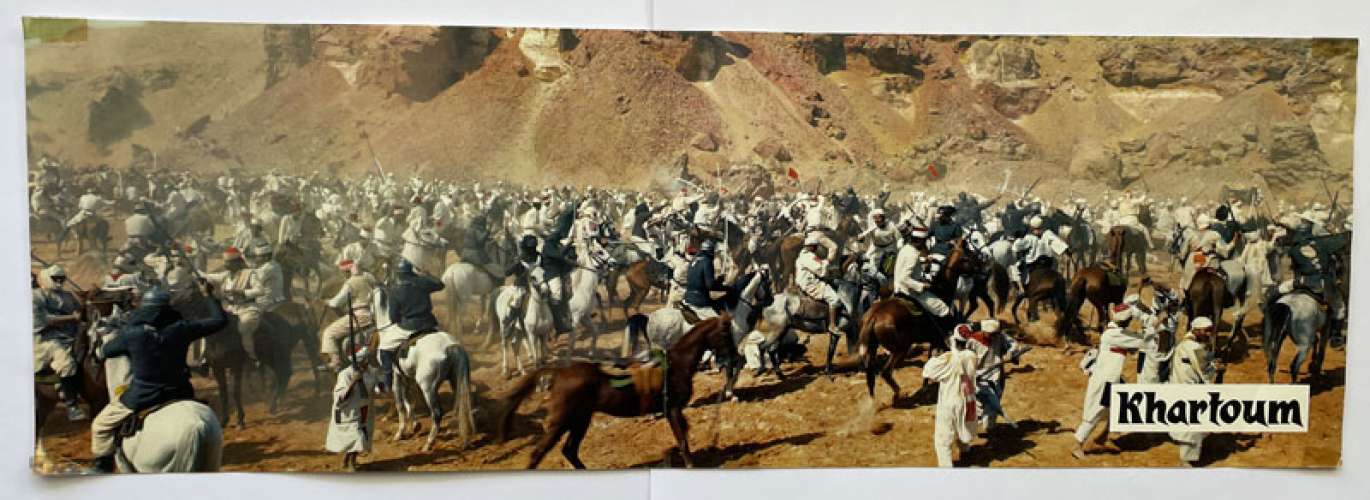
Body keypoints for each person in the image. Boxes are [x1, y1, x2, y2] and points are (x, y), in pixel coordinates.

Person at [88, 284, 228, 473]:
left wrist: (101, 346)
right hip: (180, 392)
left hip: (143, 396)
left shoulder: (132, 334)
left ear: (144, 308)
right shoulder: (183, 329)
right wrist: (208, 294)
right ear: (168, 309)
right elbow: (219, 320)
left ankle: (102, 465)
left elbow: (104, 352)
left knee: (100, 425)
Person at [1072, 302, 1150, 459]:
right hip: (1105, 381)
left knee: (1117, 409)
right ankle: (1077, 444)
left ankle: (1101, 438)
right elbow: (1144, 341)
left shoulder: (1114, 332)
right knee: (1096, 411)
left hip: (1111, 379)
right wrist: (1147, 321)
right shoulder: (1116, 335)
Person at [378, 258, 445, 393]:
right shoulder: (423, 283)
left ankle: (388, 382)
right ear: (411, 272)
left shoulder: (395, 291)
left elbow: (393, 317)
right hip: (429, 323)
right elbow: (440, 284)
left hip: (409, 327)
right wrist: (426, 274)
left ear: (398, 274)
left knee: (384, 347)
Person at [33, 265, 86, 421]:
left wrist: (84, 305)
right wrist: (71, 318)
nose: (59, 282)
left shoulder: (67, 295)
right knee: (66, 363)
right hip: (46, 338)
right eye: (55, 279)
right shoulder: (36, 296)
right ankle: (72, 406)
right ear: (47, 278)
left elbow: (79, 312)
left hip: (70, 335)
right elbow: (41, 320)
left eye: (61, 279)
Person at [922, 337, 981, 467]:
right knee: (962, 427)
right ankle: (966, 452)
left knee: (943, 439)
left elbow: (927, 372)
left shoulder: (947, 359)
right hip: (967, 400)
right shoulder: (972, 355)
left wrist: (934, 357)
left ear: (955, 341)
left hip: (949, 402)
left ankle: (946, 467)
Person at [1169, 316, 1218, 467]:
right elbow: (1206, 372)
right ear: (1196, 330)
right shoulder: (1194, 347)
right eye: (1206, 331)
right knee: (1193, 425)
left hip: (1181, 387)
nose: (1209, 334)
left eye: (1210, 331)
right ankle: (1186, 460)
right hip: (1189, 390)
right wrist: (1217, 368)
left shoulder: (1185, 343)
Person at [320, 259, 377, 371]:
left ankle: (335, 362)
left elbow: (336, 302)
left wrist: (328, 302)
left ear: (347, 272)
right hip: (372, 314)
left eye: (343, 272)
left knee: (328, 332)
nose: (343, 275)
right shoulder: (368, 278)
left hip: (359, 316)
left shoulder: (351, 283)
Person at [326, 346, 377, 471]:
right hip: (349, 411)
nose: (367, 363)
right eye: (365, 361)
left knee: (361, 436)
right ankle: (351, 464)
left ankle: (347, 459)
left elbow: (374, 388)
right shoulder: (345, 374)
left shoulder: (370, 372)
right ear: (359, 362)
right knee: (356, 437)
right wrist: (353, 381)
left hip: (364, 409)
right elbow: (340, 396)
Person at [891, 224, 952, 318]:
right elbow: (904, 278)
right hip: (908, 291)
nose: (925, 244)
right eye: (924, 241)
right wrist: (923, 285)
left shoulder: (906, 248)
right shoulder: (913, 255)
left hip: (898, 287)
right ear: (920, 241)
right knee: (943, 308)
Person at [795, 233, 842, 335]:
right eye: (816, 246)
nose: (817, 248)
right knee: (834, 299)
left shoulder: (804, 254)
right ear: (812, 246)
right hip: (809, 283)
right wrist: (827, 261)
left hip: (806, 280)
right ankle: (832, 325)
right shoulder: (808, 256)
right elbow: (820, 270)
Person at [682, 239, 727, 320]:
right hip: (699, 300)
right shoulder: (707, 261)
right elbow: (710, 285)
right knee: (720, 322)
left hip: (688, 297)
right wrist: (720, 281)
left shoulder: (694, 260)